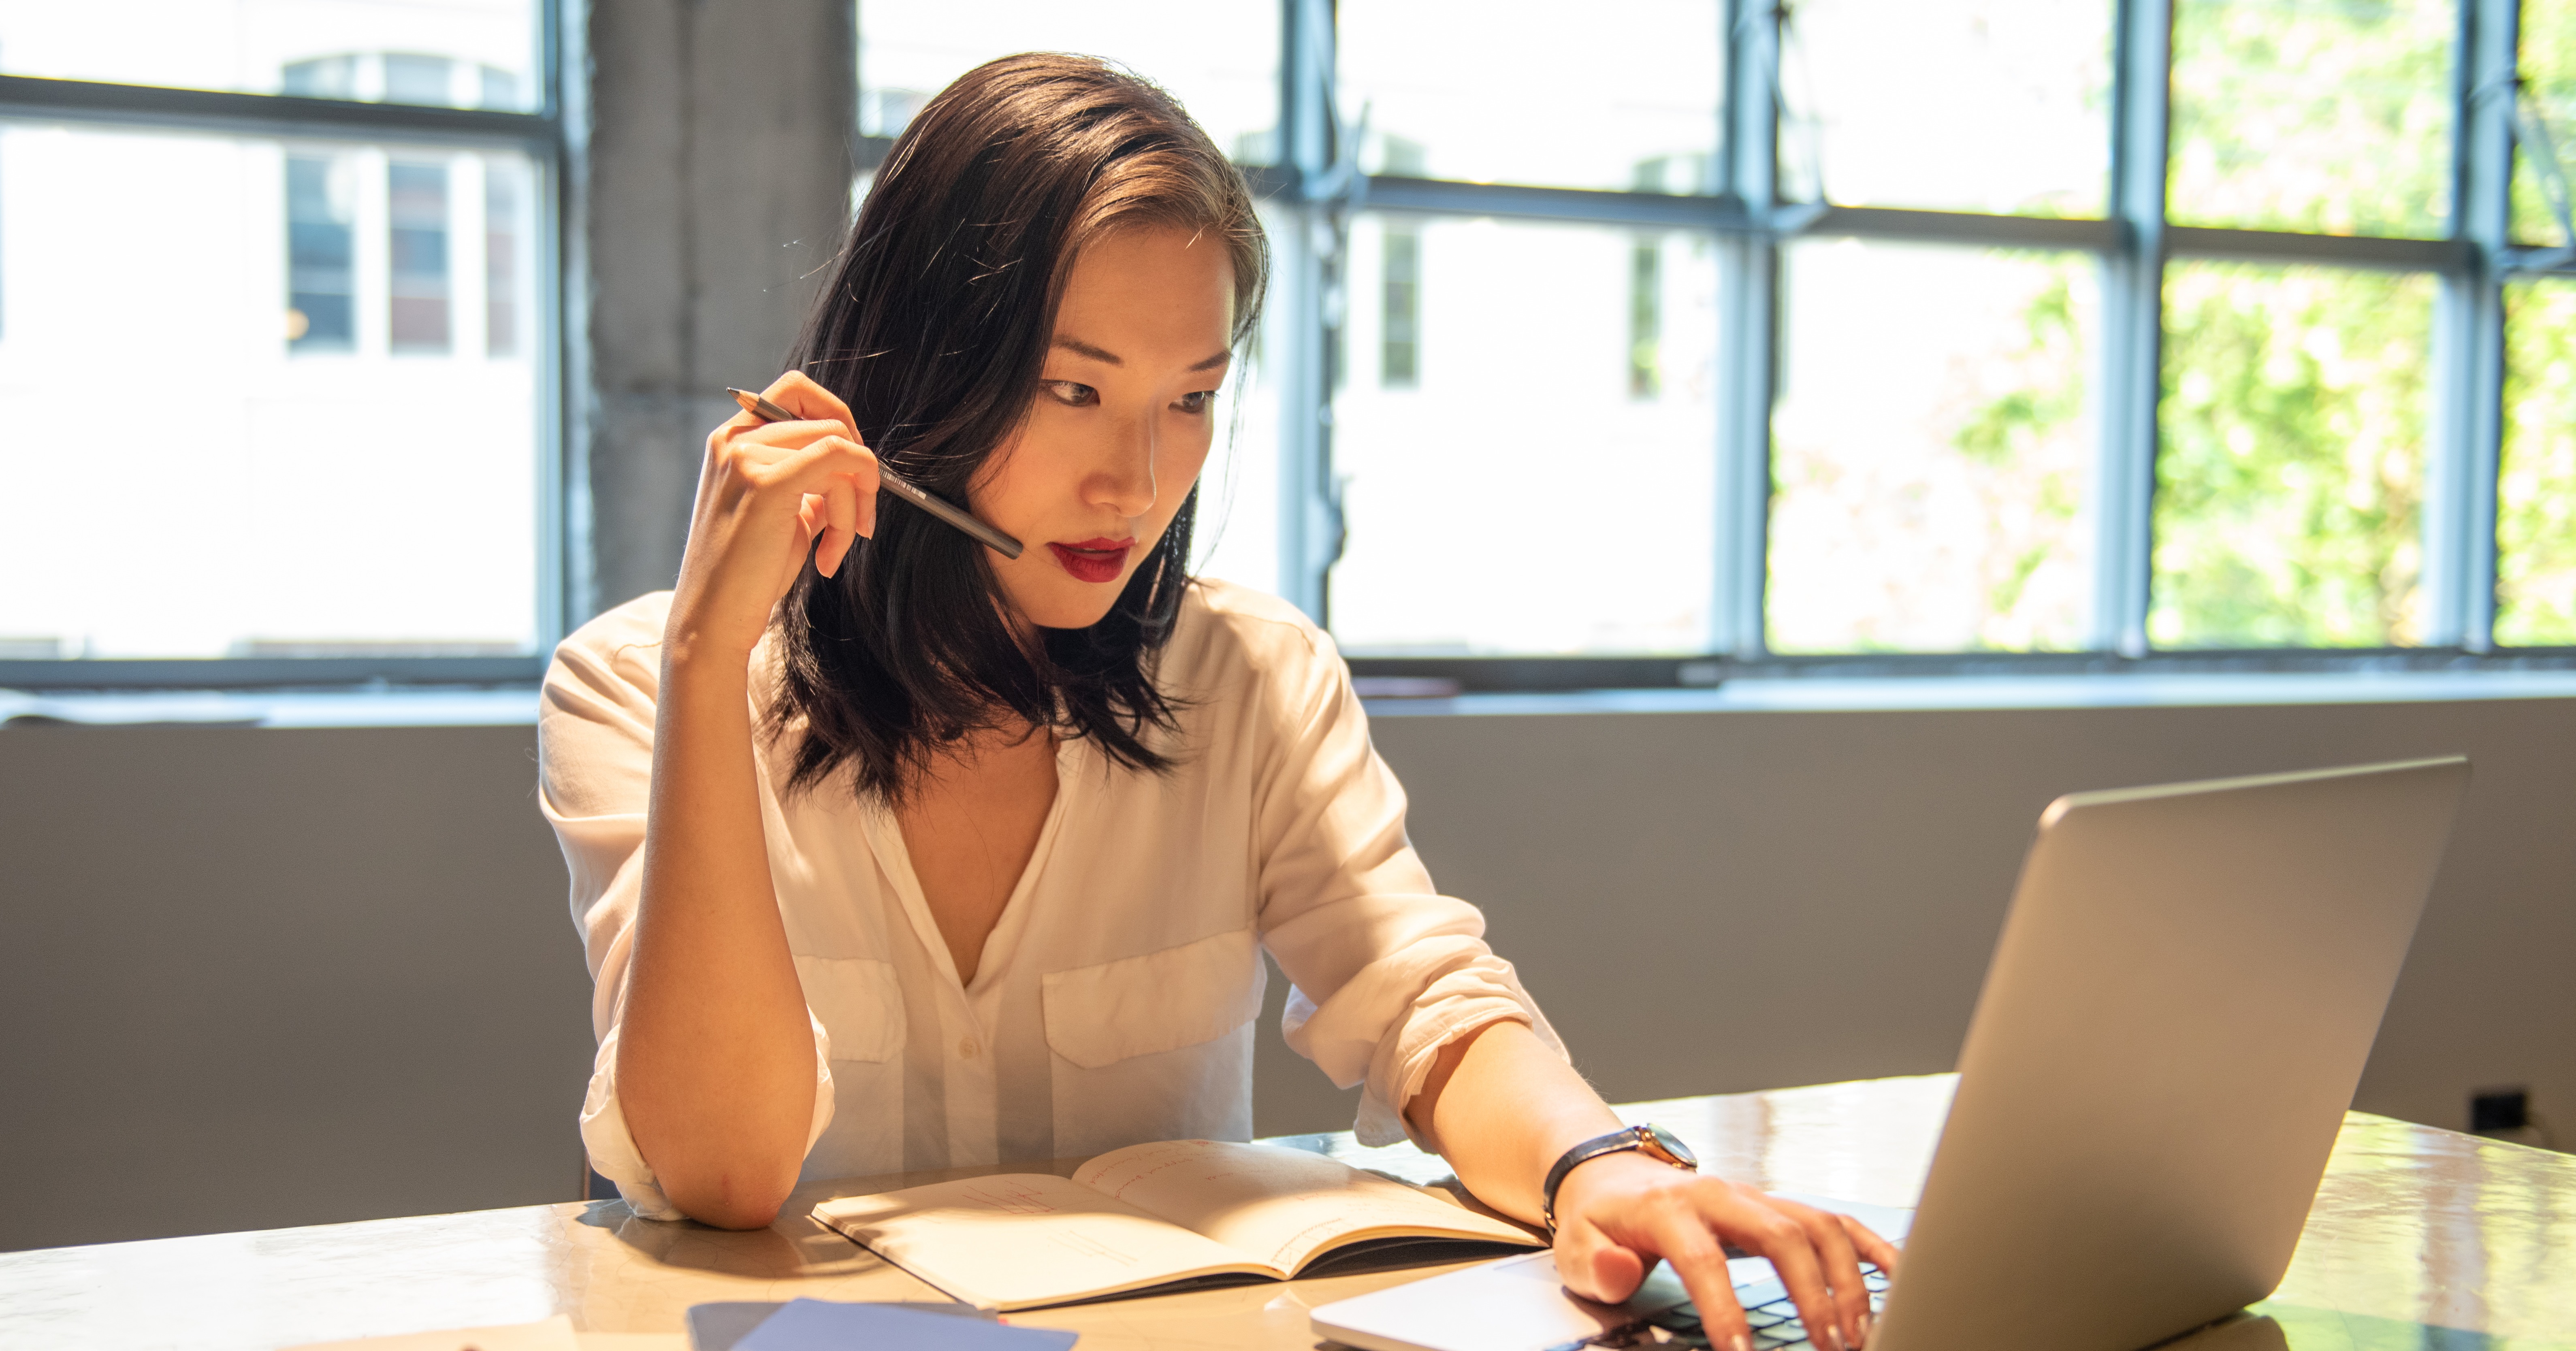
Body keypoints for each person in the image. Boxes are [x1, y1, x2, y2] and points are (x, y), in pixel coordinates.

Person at [537, 53, 1891, 1351]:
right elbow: (720, 1173)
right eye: (1074, 389)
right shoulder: (637, 685)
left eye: (1190, 399)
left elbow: (1420, 992)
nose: (1136, 483)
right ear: (916, 372)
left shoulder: (1252, 675)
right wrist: (709, 663)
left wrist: (1598, 1162)